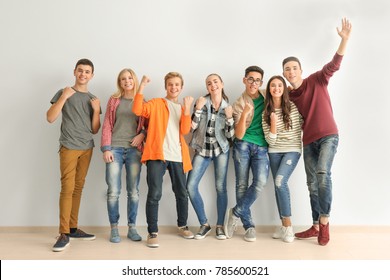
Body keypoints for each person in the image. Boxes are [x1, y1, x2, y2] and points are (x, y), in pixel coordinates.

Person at [282, 18, 352, 246]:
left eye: (294, 68)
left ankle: (324, 221)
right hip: (308, 140)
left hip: (328, 135)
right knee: (311, 183)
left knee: (323, 173)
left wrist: (344, 40)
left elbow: (334, 64)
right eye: (287, 69)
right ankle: (314, 226)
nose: (291, 71)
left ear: (300, 70)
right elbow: (272, 97)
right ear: (284, 75)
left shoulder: (317, 80)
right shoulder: (289, 97)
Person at [132, 72, 195, 248]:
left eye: (177, 85)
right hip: (157, 155)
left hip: (178, 156)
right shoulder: (156, 103)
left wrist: (188, 109)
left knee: (182, 193)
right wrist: (142, 86)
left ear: (181, 87)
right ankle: (152, 232)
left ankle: (183, 226)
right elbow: (138, 110)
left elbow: (184, 130)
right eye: (170, 84)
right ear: (166, 86)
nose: (173, 88)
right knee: (155, 194)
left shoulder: (183, 108)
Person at [46, 58, 101, 252]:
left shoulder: (93, 99)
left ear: (92, 75)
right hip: (69, 146)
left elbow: (95, 129)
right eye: (80, 70)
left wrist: (96, 111)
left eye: (87, 72)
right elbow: (50, 118)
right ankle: (63, 233)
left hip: (87, 147)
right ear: (74, 72)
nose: (83, 74)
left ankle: (73, 228)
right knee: (67, 188)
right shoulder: (64, 92)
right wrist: (63, 97)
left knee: (78, 188)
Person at [100, 68, 148, 243]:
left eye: (129, 78)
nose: (126, 81)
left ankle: (132, 228)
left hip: (134, 150)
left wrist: (142, 134)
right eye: (123, 79)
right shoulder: (114, 100)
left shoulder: (142, 100)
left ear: (134, 80)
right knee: (113, 191)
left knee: (133, 191)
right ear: (119, 82)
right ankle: (114, 229)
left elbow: (149, 125)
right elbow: (106, 124)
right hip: (115, 148)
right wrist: (106, 148)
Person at [186, 73, 235, 240]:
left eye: (215, 82)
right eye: (209, 83)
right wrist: (198, 109)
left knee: (220, 188)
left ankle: (220, 226)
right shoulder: (202, 102)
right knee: (190, 186)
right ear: (207, 87)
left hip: (221, 149)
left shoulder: (228, 106)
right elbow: (191, 128)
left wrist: (229, 118)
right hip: (202, 149)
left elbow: (231, 136)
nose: (212, 85)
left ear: (221, 84)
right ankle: (204, 224)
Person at [224, 66, 270, 242]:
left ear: (261, 83)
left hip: (262, 147)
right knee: (241, 185)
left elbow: (282, 90)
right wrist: (244, 114)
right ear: (244, 80)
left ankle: (235, 213)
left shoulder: (267, 95)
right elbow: (239, 134)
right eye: (250, 79)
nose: (253, 83)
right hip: (242, 144)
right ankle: (248, 226)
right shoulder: (238, 103)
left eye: (257, 80)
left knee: (260, 182)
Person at [262, 75, 303, 243]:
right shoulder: (266, 112)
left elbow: (300, 126)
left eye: (280, 85)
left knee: (280, 181)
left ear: (284, 89)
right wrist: (272, 121)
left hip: (292, 150)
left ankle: (288, 226)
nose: (276, 88)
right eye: (273, 86)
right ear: (269, 90)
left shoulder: (293, 107)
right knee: (278, 187)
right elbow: (270, 140)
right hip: (273, 152)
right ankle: (283, 226)